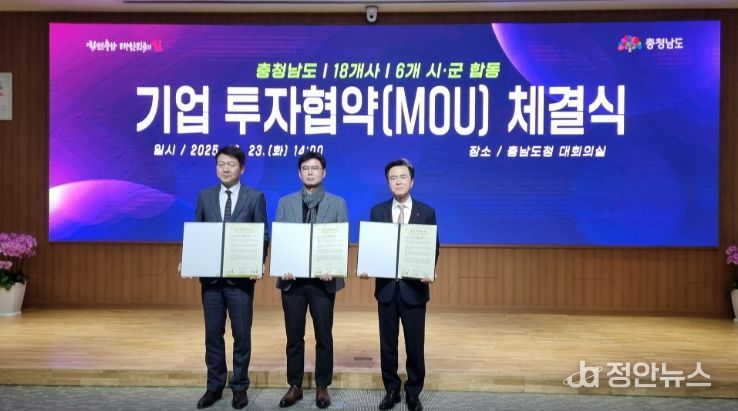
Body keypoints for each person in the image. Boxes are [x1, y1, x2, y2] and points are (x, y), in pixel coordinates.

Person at [360, 158, 439, 411]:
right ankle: (391, 389)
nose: (398, 182)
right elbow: (373, 246)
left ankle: (413, 392)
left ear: (412, 181)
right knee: (387, 344)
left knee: (415, 344)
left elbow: (433, 246)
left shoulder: (426, 212)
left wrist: (429, 270)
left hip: (414, 289)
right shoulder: (378, 211)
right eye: (393, 178)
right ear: (388, 183)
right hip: (386, 289)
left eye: (403, 177)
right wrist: (366, 265)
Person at [194, 145, 269, 409]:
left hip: (240, 280)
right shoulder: (204, 196)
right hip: (211, 280)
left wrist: (258, 262)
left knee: (241, 336)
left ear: (242, 169)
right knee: (212, 335)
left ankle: (239, 387)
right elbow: (198, 233)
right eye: (221, 164)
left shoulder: (255, 197)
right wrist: (190, 258)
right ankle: (214, 386)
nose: (225, 169)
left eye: (231, 164)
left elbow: (263, 235)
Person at [274, 151, 348, 409]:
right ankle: (294, 385)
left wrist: (333, 268)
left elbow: (340, 243)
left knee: (323, 336)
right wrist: (283, 265)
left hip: (322, 282)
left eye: (315, 168)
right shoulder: (285, 203)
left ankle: (322, 386)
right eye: (305, 168)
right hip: (292, 281)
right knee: (293, 336)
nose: (310, 172)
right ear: (299, 173)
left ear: (323, 172)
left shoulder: (337, 203)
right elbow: (280, 240)